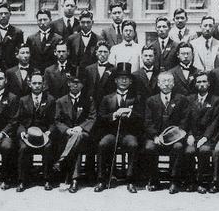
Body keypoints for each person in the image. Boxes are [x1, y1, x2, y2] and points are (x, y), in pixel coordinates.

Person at [94, 63, 143, 193]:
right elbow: (100, 118)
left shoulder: (136, 98)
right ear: (116, 80)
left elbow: (141, 118)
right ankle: (101, 179)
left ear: (131, 81)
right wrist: (114, 115)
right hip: (111, 133)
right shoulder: (107, 98)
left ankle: (130, 180)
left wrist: (130, 113)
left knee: (133, 144)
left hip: (128, 133)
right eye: (121, 78)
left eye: (126, 78)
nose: (123, 81)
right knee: (103, 144)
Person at [142, 71, 190, 194]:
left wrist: (175, 136)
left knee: (178, 147)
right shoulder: (151, 100)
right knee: (149, 147)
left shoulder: (181, 99)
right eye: (163, 81)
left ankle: (174, 181)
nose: (166, 84)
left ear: (173, 83)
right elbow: (147, 121)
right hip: (157, 138)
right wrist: (155, 136)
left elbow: (184, 120)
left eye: (169, 81)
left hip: (175, 137)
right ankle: (154, 180)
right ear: (158, 84)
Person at [53, 75, 96, 193]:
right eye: (73, 82)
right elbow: (57, 120)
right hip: (67, 135)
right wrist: (67, 130)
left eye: (78, 82)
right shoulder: (60, 101)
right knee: (76, 143)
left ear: (82, 85)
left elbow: (92, 117)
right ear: (68, 84)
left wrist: (80, 127)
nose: (75, 85)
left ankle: (62, 160)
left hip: (84, 134)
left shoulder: (88, 100)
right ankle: (74, 180)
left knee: (78, 136)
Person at [16, 71, 56, 192]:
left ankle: (47, 179)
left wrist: (49, 132)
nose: (37, 86)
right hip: (28, 134)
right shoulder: (23, 100)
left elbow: (53, 121)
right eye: (34, 83)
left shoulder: (50, 99)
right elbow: (19, 121)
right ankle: (22, 181)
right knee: (23, 148)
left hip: (44, 134)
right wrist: (22, 131)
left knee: (48, 147)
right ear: (29, 84)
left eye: (39, 83)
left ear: (43, 84)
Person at [183, 71, 219, 193]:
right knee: (189, 151)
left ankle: (201, 182)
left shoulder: (215, 100)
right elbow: (186, 120)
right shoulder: (189, 100)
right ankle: (190, 181)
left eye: (204, 81)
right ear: (195, 84)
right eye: (199, 82)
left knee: (204, 150)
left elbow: (214, 122)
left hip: (208, 137)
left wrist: (205, 137)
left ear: (209, 83)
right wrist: (189, 135)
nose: (202, 84)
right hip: (193, 136)